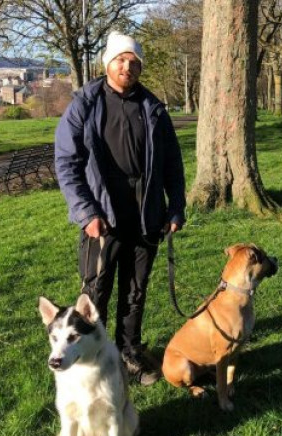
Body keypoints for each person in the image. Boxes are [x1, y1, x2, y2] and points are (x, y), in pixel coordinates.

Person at [54, 31, 186, 386]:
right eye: (120, 60)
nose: (127, 66)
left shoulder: (154, 109)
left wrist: (175, 207)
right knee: (94, 294)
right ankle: (93, 361)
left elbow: (173, 163)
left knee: (135, 290)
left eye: (134, 61)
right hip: (101, 217)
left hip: (146, 217)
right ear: (107, 63)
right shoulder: (84, 104)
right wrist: (85, 213)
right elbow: (66, 163)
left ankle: (129, 353)